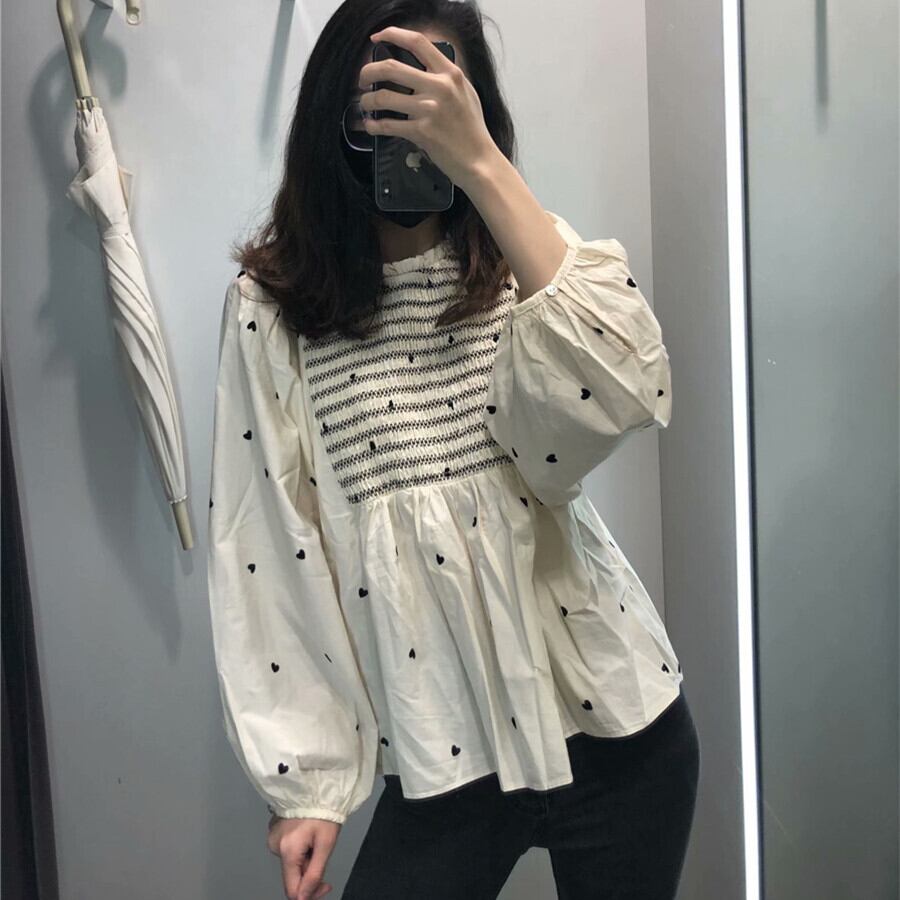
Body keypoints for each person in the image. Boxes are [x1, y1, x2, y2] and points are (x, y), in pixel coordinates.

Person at [206, 2, 700, 898]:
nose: (412, 121)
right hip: (442, 758)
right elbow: (269, 546)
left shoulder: (526, 260)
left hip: (622, 735)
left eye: (440, 94)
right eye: (386, 99)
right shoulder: (273, 311)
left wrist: (481, 166)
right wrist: (311, 783)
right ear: (337, 114)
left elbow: (627, 389)